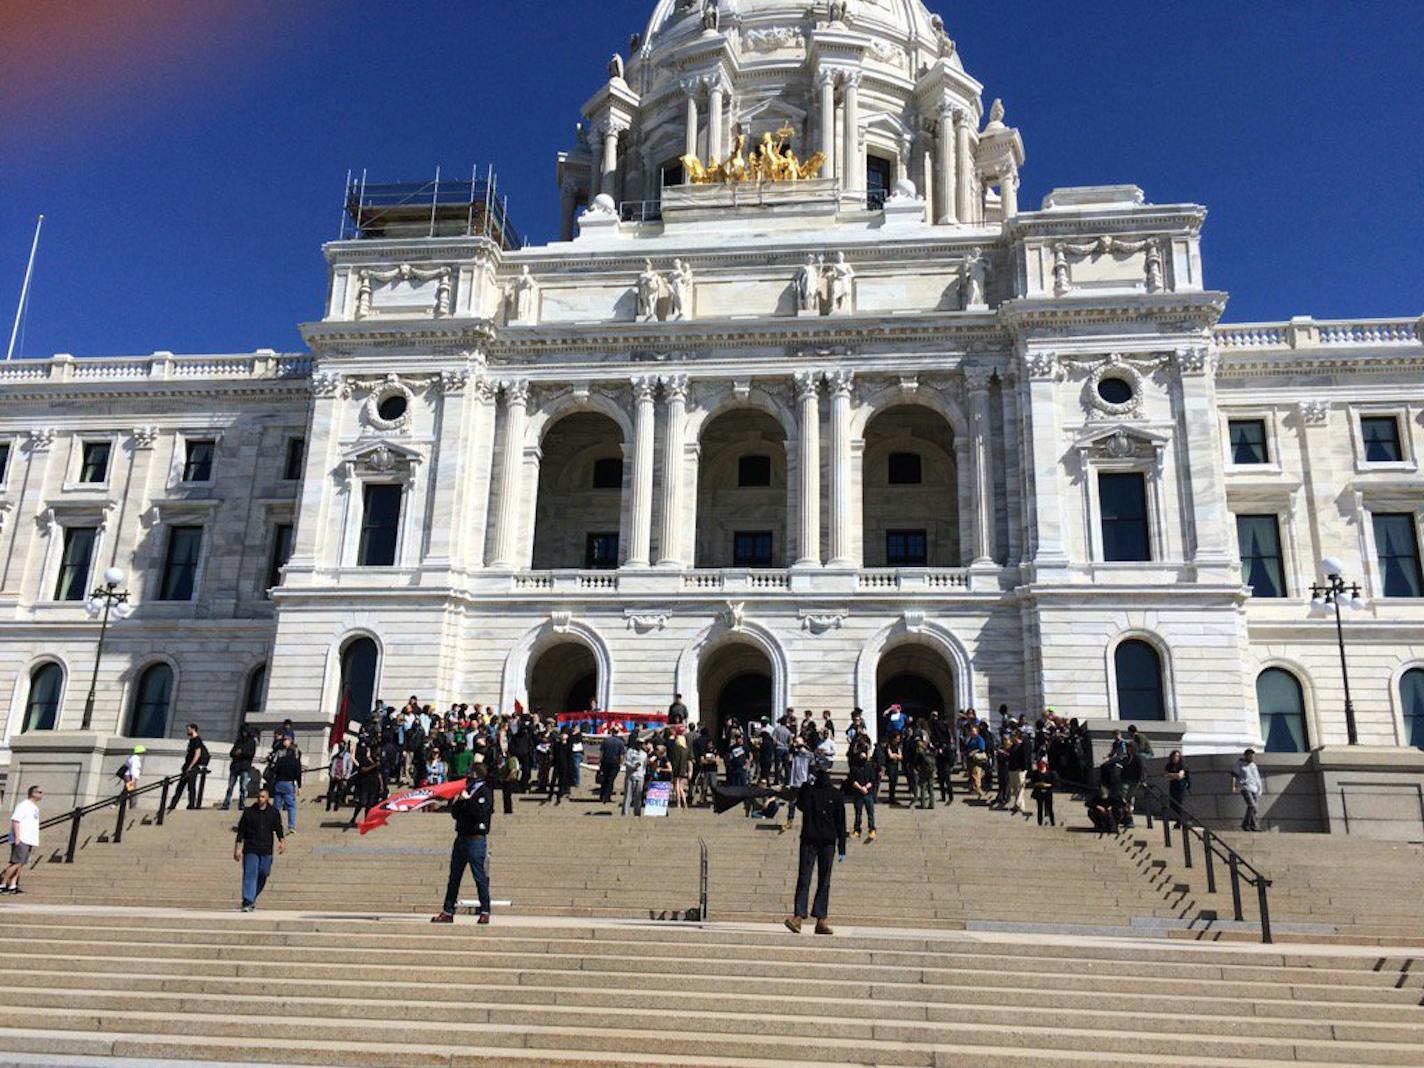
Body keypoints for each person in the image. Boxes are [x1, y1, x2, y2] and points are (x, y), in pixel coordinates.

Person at [783, 763, 847, 936]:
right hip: (811, 841)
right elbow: (801, 805)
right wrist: (805, 786)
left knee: (819, 880)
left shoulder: (836, 794)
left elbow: (841, 822)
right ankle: (799, 916)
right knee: (808, 878)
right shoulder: (810, 791)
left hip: (825, 842)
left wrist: (841, 847)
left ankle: (820, 918)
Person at [430, 764, 495, 925]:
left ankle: (485, 910)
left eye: (470, 773)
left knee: (479, 876)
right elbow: (455, 814)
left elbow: (481, 813)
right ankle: (448, 911)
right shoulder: (466, 790)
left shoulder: (485, 791)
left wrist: (469, 800)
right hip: (461, 838)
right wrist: (459, 801)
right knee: (454, 877)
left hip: (476, 839)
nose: (467, 776)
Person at [234, 786, 285, 912]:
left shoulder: (273, 812)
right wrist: (237, 848)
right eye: (259, 797)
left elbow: (278, 828)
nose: (260, 799)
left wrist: (282, 841)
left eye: (263, 797)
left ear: (267, 799)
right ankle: (247, 900)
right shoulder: (249, 812)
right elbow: (241, 831)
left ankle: (251, 897)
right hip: (251, 848)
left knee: (263, 873)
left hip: (266, 848)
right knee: (250, 875)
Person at [2, 786, 42, 895]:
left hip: (29, 839)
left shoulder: (34, 807)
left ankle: (13, 885)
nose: (42, 794)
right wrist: (18, 838)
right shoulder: (23, 805)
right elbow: (16, 820)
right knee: (16, 862)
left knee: (21, 864)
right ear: (33, 793)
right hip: (22, 839)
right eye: (39, 792)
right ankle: (2, 884)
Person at [167, 723, 210, 812]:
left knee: (191, 787)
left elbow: (197, 754)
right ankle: (173, 804)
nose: (187, 731)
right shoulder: (192, 740)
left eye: (188, 729)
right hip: (187, 767)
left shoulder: (197, 740)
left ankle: (191, 805)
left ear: (193, 729)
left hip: (192, 768)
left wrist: (190, 766)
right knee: (180, 786)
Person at [270, 735, 303, 833]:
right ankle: (291, 826)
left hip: (279, 783)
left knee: (276, 806)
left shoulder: (280, 759)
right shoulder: (295, 761)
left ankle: (274, 825)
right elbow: (298, 773)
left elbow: (274, 770)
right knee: (291, 806)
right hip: (289, 784)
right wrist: (299, 786)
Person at [222, 727, 258, 811]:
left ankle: (242, 804)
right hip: (235, 766)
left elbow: (250, 755)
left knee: (243, 787)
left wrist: (241, 752)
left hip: (244, 767)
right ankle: (226, 804)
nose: (243, 734)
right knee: (230, 787)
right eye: (242, 732)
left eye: (245, 732)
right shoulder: (238, 741)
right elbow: (231, 753)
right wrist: (236, 753)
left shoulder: (251, 742)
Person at [847, 748, 877, 842]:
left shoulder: (870, 767)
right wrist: (860, 788)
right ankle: (857, 830)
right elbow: (852, 781)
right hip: (858, 794)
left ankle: (872, 829)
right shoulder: (854, 768)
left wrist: (866, 787)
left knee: (870, 813)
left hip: (868, 793)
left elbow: (872, 780)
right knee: (858, 813)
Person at [1231, 748, 1263, 832]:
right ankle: (1245, 824)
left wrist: (1259, 788)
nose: (1252, 758)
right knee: (1252, 805)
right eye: (1250, 756)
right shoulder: (1239, 764)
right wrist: (1233, 786)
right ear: (1246, 756)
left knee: (1254, 809)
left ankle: (1253, 826)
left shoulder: (1253, 765)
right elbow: (1234, 775)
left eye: (1253, 756)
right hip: (1245, 787)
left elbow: (1257, 777)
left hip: (1254, 788)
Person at [598, 725, 625, 804]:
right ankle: (607, 796)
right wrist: (621, 763)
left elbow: (601, 752)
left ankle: (602, 795)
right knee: (610, 780)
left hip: (605, 761)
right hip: (615, 762)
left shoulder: (606, 740)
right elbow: (621, 755)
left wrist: (600, 762)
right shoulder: (620, 742)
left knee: (605, 779)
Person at [1164, 749, 1191, 827]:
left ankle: (1181, 822)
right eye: (1174, 756)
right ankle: (1179, 820)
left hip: (1181, 787)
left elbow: (1180, 776)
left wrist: (1172, 775)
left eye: (1177, 756)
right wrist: (1175, 775)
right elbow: (1166, 776)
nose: (1175, 758)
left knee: (1180, 804)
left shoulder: (1182, 765)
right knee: (1173, 805)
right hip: (1172, 787)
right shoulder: (1169, 765)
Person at [1028, 758, 1058, 826]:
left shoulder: (1051, 773)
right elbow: (1032, 782)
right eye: (1040, 764)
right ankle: (1040, 823)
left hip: (1048, 792)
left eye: (1043, 763)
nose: (1041, 765)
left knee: (1050, 808)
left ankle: (1052, 822)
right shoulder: (1035, 773)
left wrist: (1047, 785)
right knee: (1039, 808)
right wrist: (1038, 784)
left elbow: (1055, 784)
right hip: (1039, 792)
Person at [621, 739, 648, 817]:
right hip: (630, 775)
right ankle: (625, 812)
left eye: (641, 744)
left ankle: (637, 812)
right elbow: (626, 762)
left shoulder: (644, 754)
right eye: (638, 743)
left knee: (638, 796)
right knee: (628, 795)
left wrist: (643, 773)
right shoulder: (630, 751)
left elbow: (645, 765)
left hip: (640, 776)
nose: (639, 745)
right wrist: (633, 766)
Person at [327, 741, 355, 811]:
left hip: (342, 776)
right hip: (334, 775)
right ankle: (328, 805)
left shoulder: (348, 756)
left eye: (342, 746)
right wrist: (331, 774)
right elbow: (331, 765)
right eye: (340, 746)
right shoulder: (335, 756)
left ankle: (336, 805)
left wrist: (346, 777)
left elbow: (349, 768)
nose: (341, 747)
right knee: (330, 791)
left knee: (339, 792)